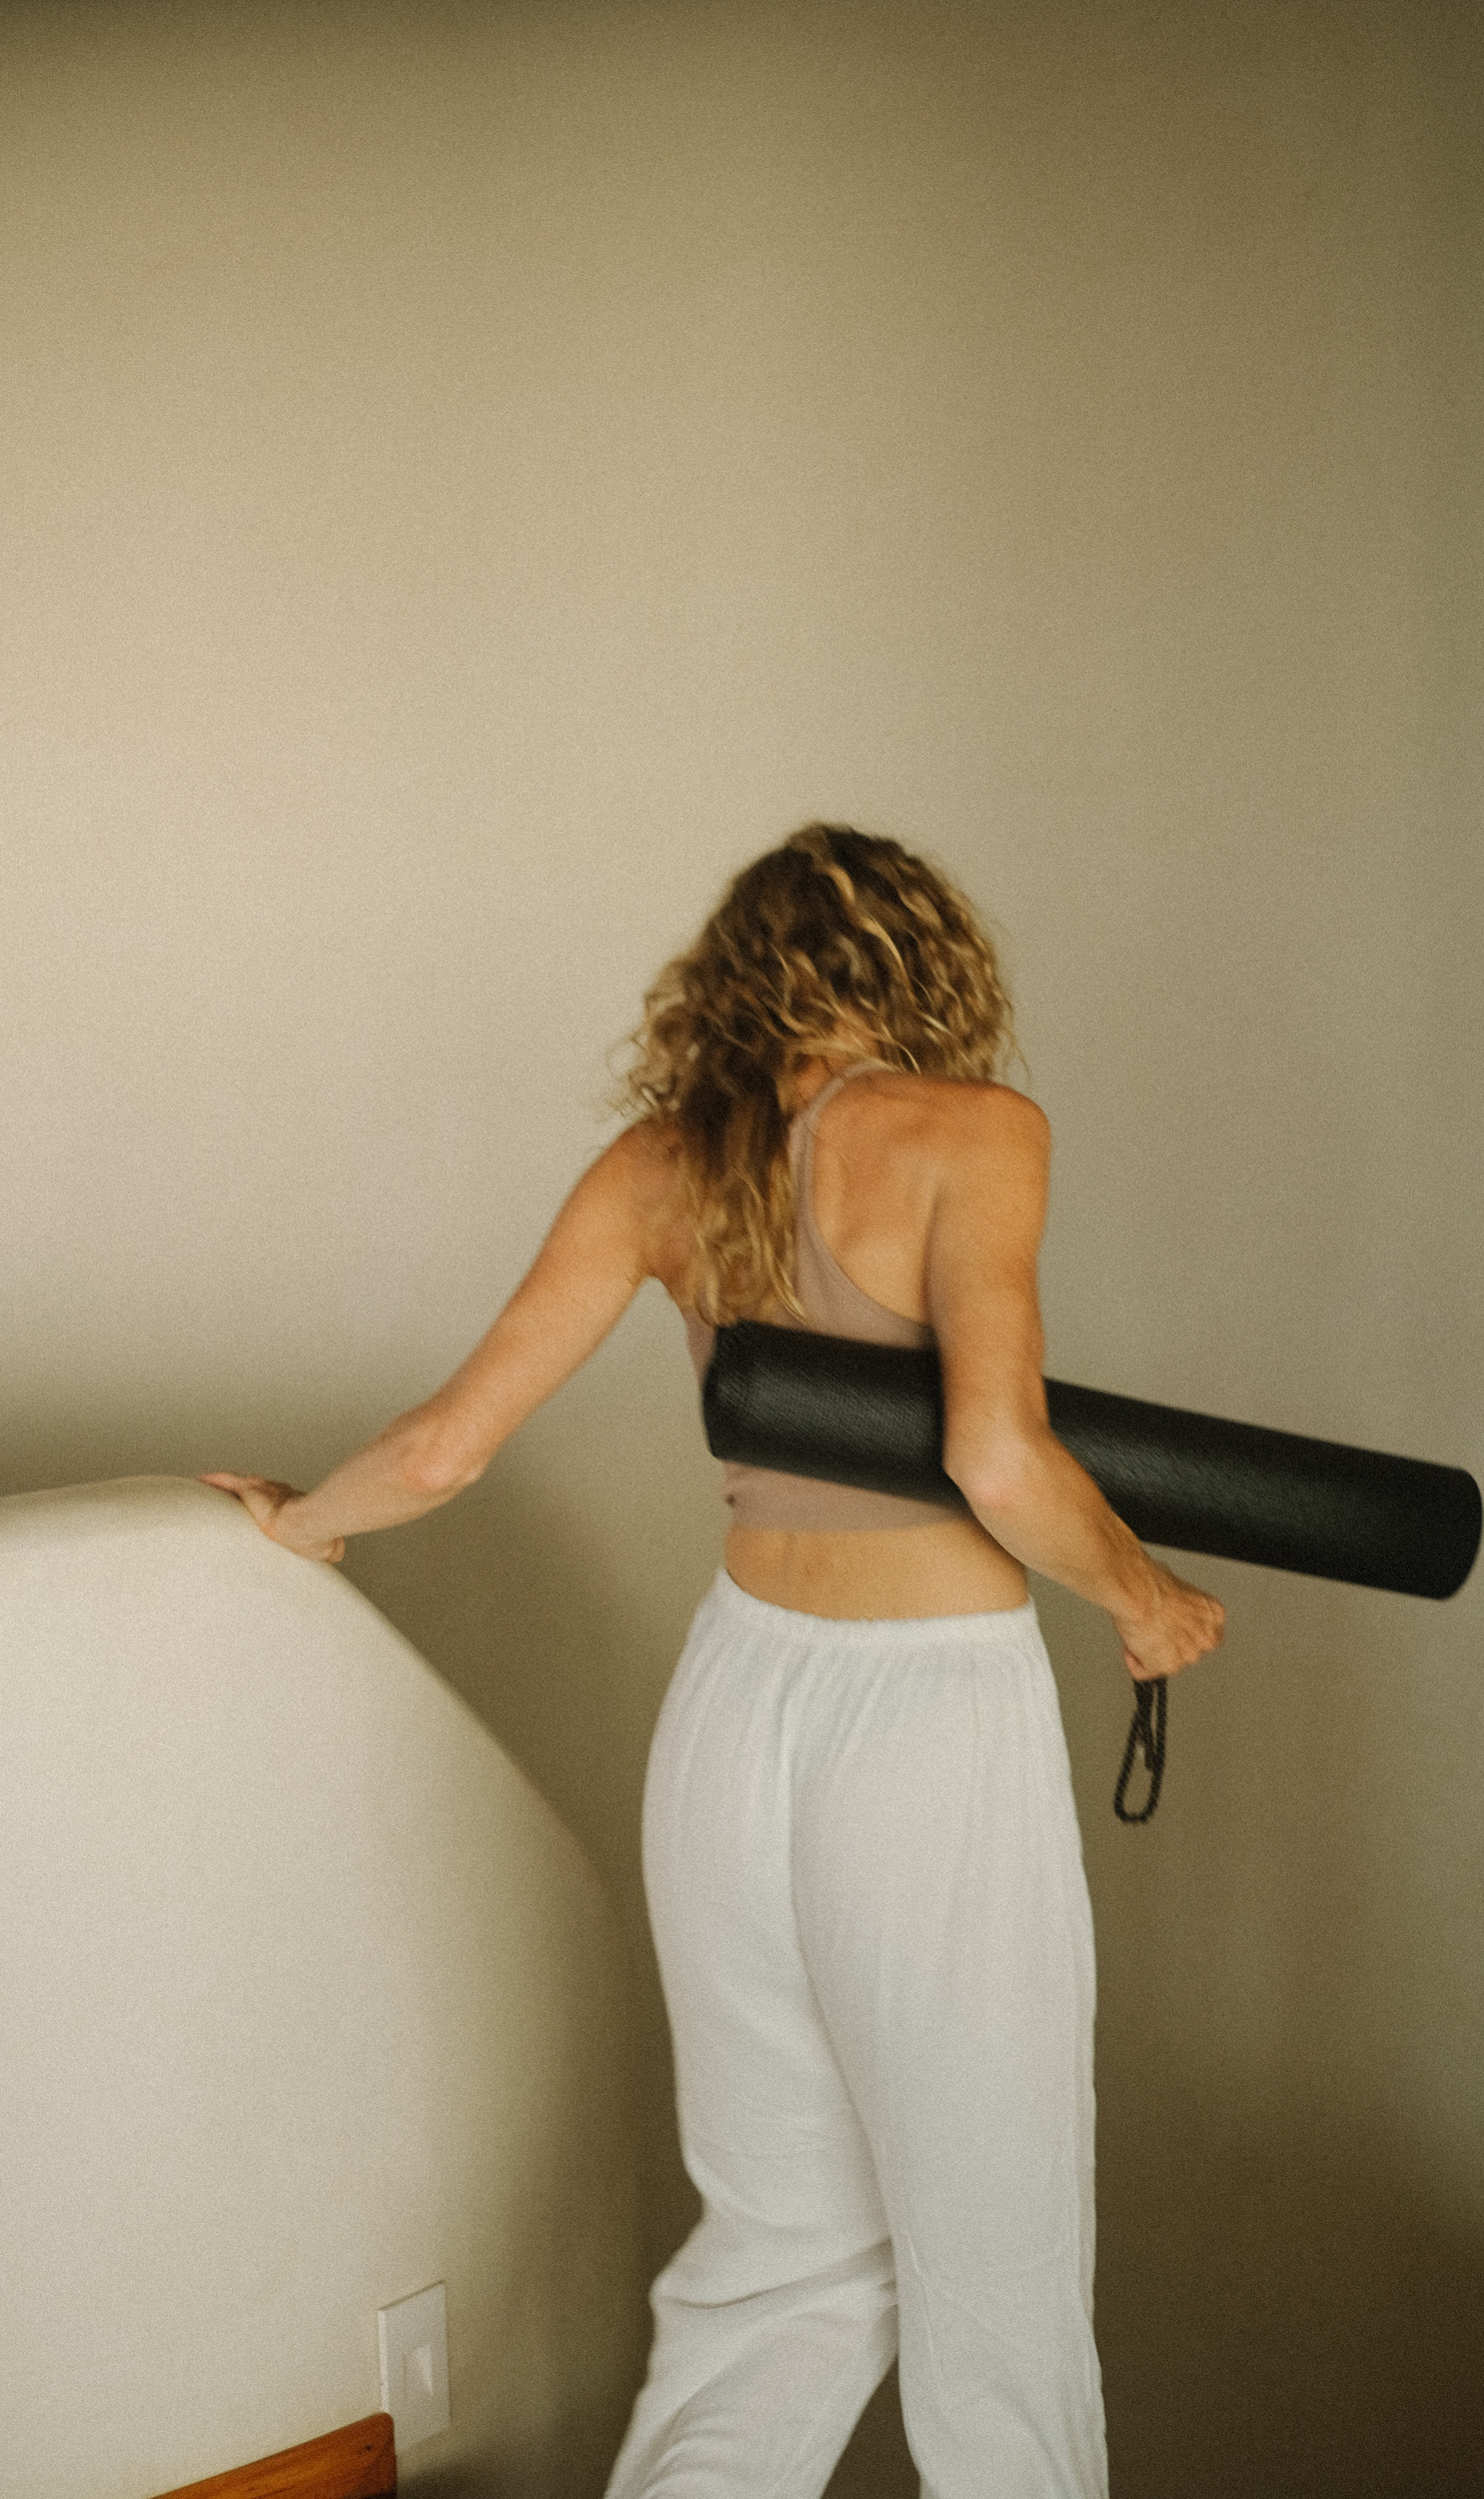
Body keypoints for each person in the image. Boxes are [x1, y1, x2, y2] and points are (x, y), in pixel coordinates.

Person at [205, 824, 1223, 2499]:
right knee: (1000, 2291)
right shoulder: (976, 1132)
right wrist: (1144, 1598)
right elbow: (998, 1458)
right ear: (929, 969)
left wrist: (302, 1521)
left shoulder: (661, 1168)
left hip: (738, 1713)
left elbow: (449, 1449)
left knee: (774, 2272)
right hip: (927, 1720)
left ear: (734, 985)